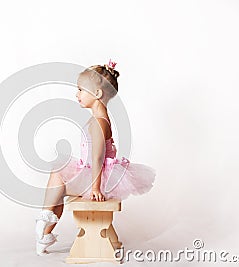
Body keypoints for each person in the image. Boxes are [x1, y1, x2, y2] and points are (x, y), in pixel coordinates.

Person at [35, 60, 156, 256]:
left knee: (58, 176)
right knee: (58, 178)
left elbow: (98, 158)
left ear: (97, 94)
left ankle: (44, 224)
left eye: (81, 90)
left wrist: (95, 188)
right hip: (91, 171)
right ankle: (45, 229)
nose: (77, 94)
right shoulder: (101, 119)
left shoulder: (99, 122)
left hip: (97, 177)